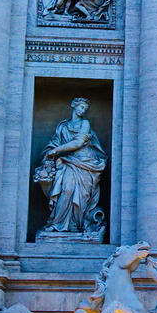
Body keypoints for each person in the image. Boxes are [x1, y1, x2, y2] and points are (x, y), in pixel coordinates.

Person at [33, 97, 108, 239]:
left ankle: (76, 224)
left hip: (85, 163)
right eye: (81, 107)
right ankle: (58, 224)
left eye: (85, 109)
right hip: (66, 162)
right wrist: (48, 154)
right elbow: (53, 143)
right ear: (74, 106)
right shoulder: (62, 126)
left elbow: (78, 142)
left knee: (82, 195)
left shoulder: (85, 123)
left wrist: (55, 151)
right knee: (66, 190)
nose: (83, 110)